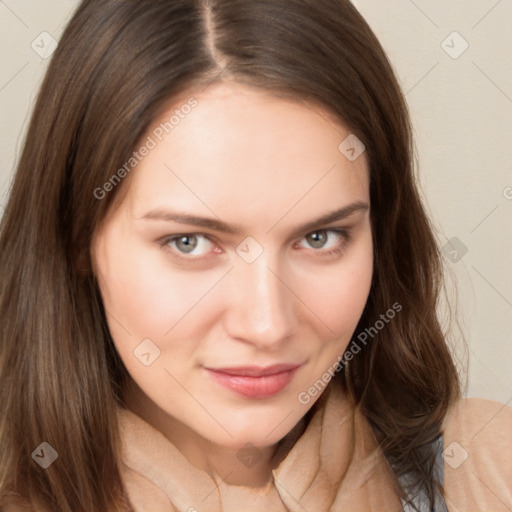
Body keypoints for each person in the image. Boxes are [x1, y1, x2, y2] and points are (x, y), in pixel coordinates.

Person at [0, 1, 510, 511]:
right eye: (190, 242)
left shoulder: (485, 476)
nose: (267, 326)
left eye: (320, 237)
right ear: (77, 236)